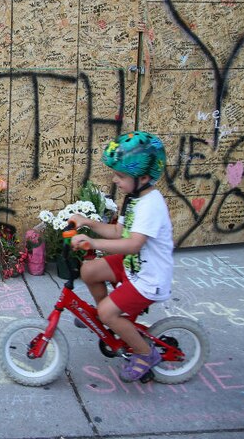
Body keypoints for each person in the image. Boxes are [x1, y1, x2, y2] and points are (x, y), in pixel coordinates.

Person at [68, 131, 174, 382]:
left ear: (145, 178)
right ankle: (108, 316)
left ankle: (145, 353)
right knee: (89, 270)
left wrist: (92, 242)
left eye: (121, 176)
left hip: (149, 278)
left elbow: (134, 244)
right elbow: (118, 231)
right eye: (115, 174)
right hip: (133, 266)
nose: (115, 180)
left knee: (107, 312)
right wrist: (88, 223)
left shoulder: (151, 205)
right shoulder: (134, 198)